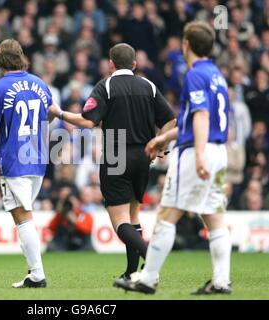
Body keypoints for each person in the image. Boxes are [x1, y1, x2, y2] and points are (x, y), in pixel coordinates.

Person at [115, 21, 232, 295]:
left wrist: (199, 154)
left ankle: (147, 278)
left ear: (187, 44)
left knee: (166, 216)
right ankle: (221, 281)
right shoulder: (216, 74)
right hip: (218, 151)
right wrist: (162, 138)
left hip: (196, 152)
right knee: (214, 217)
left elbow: (201, 116)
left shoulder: (194, 75)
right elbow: (197, 119)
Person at [49, 43, 175, 286]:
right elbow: (170, 119)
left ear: (111, 64)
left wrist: (61, 113)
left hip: (116, 154)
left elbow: (87, 121)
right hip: (143, 156)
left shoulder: (106, 85)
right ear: (135, 64)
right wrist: (159, 145)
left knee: (119, 220)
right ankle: (130, 272)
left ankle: (151, 261)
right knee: (134, 214)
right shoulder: (148, 85)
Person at [0, 39, 56, 288]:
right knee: (24, 215)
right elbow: (51, 111)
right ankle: (35, 273)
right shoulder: (39, 84)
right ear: (21, 57)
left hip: (14, 160)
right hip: (38, 158)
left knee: (23, 218)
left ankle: (37, 275)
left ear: (0, 60)